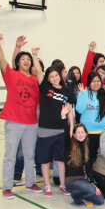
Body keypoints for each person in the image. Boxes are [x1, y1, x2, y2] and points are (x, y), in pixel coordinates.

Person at [0, 33, 42, 199]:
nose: (26, 61)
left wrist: (38, 123)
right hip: (14, 122)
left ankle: (30, 182)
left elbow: (37, 105)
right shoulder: (11, 75)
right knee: (10, 155)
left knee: (30, 155)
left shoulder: (35, 81)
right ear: (17, 62)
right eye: (23, 59)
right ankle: (7, 187)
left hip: (31, 123)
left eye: (28, 60)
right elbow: (1, 59)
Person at [31, 46, 74, 197]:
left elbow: (69, 111)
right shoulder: (45, 88)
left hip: (60, 130)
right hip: (45, 129)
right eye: (51, 76)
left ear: (60, 75)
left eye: (56, 75)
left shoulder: (66, 91)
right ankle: (48, 186)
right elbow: (38, 71)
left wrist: (71, 128)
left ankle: (62, 185)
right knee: (44, 159)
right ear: (48, 79)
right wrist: (34, 55)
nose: (55, 78)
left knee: (60, 159)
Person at [62, 105, 104, 207]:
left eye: (82, 132)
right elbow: (66, 131)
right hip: (71, 182)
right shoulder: (70, 146)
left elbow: (89, 168)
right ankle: (77, 196)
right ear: (74, 135)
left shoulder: (86, 148)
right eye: (78, 132)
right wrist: (63, 116)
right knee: (91, 190)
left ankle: (79, 195)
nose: (80, 134)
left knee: (100, 200)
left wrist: (93, 183)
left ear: (86, 134)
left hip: (82, 180)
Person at [76, 72, 105, 170]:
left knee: (101, 159)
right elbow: (80, 110)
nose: (96, 83)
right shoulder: (84, 93)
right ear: (89, 83)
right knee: (88, 159)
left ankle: (100, 180)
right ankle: (90, 181)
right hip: (87, 133)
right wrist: (82, 93)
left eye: (98, 81)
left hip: (103, 133)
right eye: (93, 81)